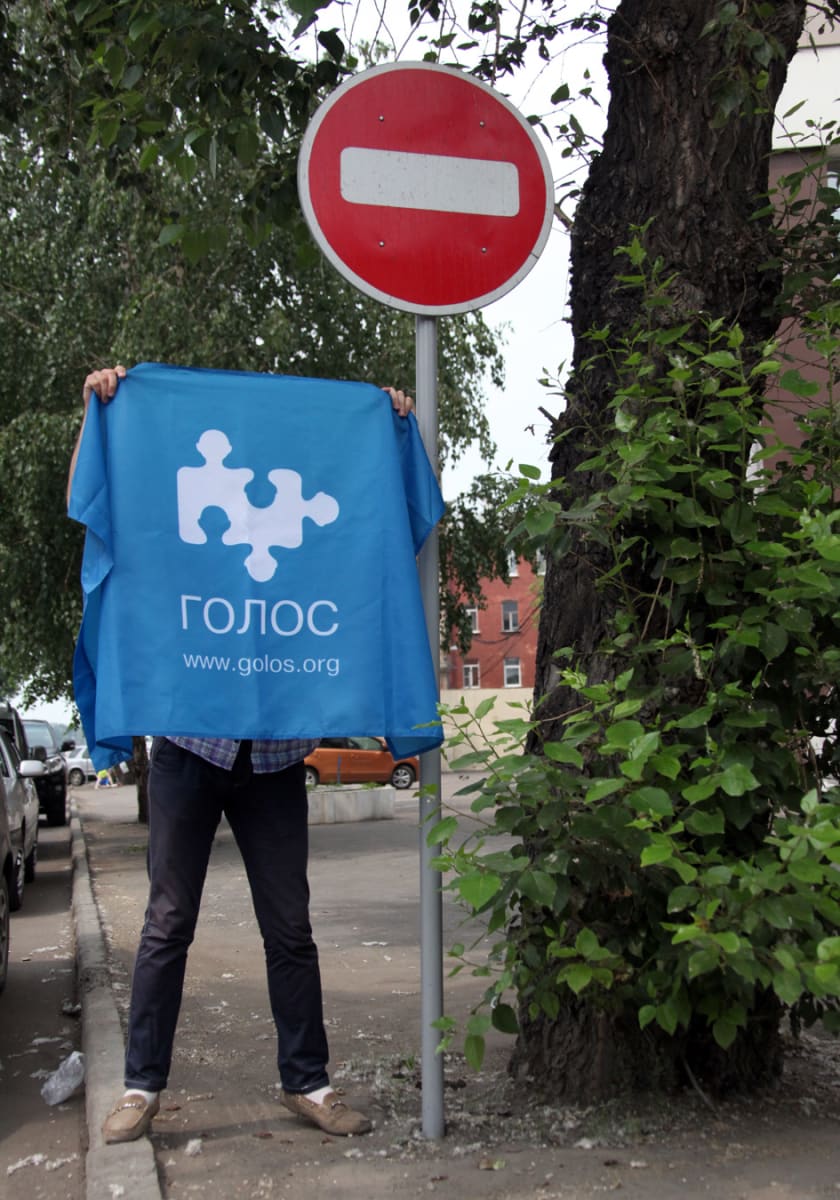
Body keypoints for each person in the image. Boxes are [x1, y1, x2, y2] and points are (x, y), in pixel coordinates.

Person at [72, 365, 415, 1145]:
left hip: (275, 762)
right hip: (190, 751)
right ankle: (140, 1087)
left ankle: (309, 1083)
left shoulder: (306, 479)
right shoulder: (182, 463)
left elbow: (380, 519)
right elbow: (101, 498)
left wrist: (389, 431)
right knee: (167, 923)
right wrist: (104, 412)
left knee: (289, 927)